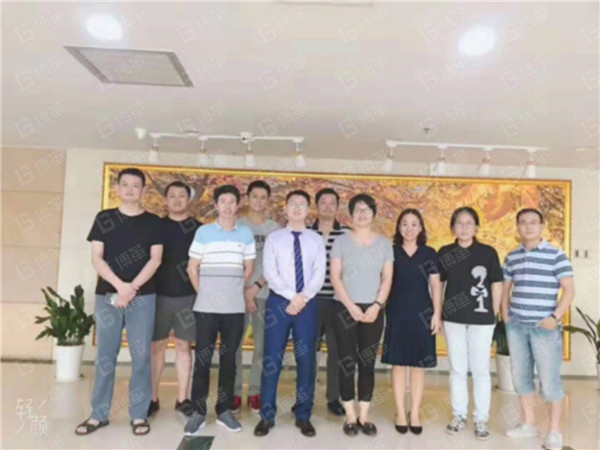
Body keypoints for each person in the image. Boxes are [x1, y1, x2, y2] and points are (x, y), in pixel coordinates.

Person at [75, 167, 163, 437]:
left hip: (143, 297)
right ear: (117, 188)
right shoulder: (104, 218)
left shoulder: (153, 222)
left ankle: (139, 414)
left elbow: (155, 259)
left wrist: (131, 288)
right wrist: (120, 287)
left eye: (136, 185)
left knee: (141, 356)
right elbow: (96, 258)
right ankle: (98, 414)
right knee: (105, 356)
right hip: (107, 295)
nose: (130, 189)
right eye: (125, 184)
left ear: (144, 190)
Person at [184, 185, 255, 436]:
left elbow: (249, 268)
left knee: (229, 360)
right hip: (206, 308)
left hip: (234, 309)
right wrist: (205, 293)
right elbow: (192, 268)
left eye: (231, 201)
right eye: (222, 201)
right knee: (203, 360)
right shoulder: (204, 232)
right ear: (216, 205)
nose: (227, 206)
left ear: (237, 205)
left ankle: (224, 411)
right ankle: (198, 412)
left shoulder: (245, 233)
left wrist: (233, 290)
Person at [254, 190, 326, 438]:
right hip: (279, 303)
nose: (296, 208)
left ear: (308, 211)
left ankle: (303, 414)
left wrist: (302, 297)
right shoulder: (274, 238)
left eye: (302, 204)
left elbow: (319, 272)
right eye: (292, 204)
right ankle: (267, 414)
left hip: (307, 304)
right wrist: (291, 296)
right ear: (285, 209)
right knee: (272, 359)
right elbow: (270, 271)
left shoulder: (316, 240)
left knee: (306, 360)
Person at [501, 208, 575, 450]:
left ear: (542, 226)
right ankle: (529, 424)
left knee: (549, 381)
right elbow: (505, 288)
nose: (528, 226)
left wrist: (555, 317)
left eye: (533, 222)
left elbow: (569, 290)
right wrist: (505, 314)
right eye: (523, 222)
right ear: (517, 227)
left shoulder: (557, 255)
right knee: (521, 377)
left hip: (544, 328)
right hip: (517, 327)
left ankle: (554, 432)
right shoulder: (512, 256)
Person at [330, 194, 394, 437]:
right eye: (358, 209)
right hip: (344, 307)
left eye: (367, 210)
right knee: (346, 361)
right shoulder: (341, 241)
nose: (362, 213)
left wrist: (377, 305)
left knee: (367, 362)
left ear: (374, 214)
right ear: (351, 214)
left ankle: (364, 415)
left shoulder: (384, 243)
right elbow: (335, 276)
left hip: (373, 309)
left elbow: (387, 278)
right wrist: (351, 307)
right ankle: (349, 414)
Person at [438, 206, 503, 441]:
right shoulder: (445, 252)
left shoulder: (487, 252)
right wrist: (438, 314)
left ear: (476, 227)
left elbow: (497, 284)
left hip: (481, 319)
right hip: (453, 318)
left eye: (469, 223)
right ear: (453, 227)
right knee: (457, 368)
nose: (464, 227)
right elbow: (438, 285)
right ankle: (459, 416)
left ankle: (481, 419)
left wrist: (493, 313)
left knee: (481, 370)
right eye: (459, 223)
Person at [382, 208, 442, 435]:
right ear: (398, 227)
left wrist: (437, 314)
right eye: (404, 224)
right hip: (396, 311)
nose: (409, 228)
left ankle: (414, 412)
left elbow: (435, 285)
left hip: (423, 313)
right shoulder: (391, 251)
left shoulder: (429, 253)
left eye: (414, 224)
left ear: (420, 228)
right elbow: (385, 281)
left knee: (419, 365)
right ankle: (400, 411)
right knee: (398, 364)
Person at [149, 181, 202, 418]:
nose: (177, 200)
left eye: (182, 195)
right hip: (157, 295)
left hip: (188, 296)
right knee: (157, 347)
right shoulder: (155, 227)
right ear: (166, 199)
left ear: (188, 200)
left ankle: (183, 398)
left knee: (183, 346)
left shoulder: (199, 229)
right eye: (172, 195)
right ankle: (152, 397)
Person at [233, 180, 280, 413]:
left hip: (264, 293)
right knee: (234, 345)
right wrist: (244, 289)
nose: (259, 201)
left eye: (263, 197)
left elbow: (277, 264)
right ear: (247, 198)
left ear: (267, 200)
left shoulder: (275, 229)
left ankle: (255, 391)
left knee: (262, 346)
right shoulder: (237, 226)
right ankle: (234, 392)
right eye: (255, 196)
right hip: (236, 294)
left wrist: (256, 287)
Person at [309, 188, 350, 416]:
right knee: (308, 351)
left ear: (337, 206)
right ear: (316, 206)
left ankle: (333, 398)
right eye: (322, 202)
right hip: (311, 301)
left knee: (336, 351)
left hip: (338, 301)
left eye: (332, 202)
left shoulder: (346, 234)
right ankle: (305, 397)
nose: (327, 206)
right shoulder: (306, 232)